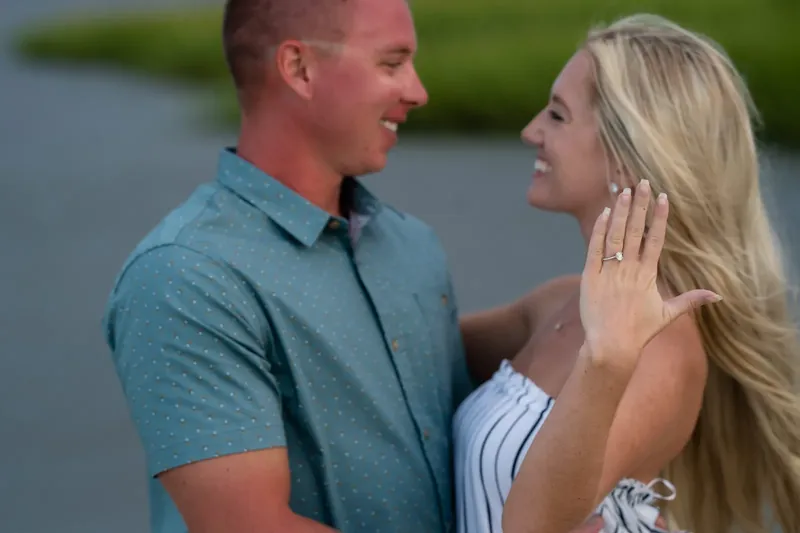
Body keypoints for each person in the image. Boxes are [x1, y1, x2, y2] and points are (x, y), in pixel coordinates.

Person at [100, 0, 615, 532]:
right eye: (391, 64)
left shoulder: (411, 246)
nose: (418, 92)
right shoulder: (187, 275)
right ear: (299, 69)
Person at [454, 14, 800, 533]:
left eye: (557, 115)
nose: (531, 131)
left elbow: (530, 526)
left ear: (623, 156)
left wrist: (608, 357)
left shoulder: (662, 350)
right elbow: (419, 350)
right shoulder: (555, 303)